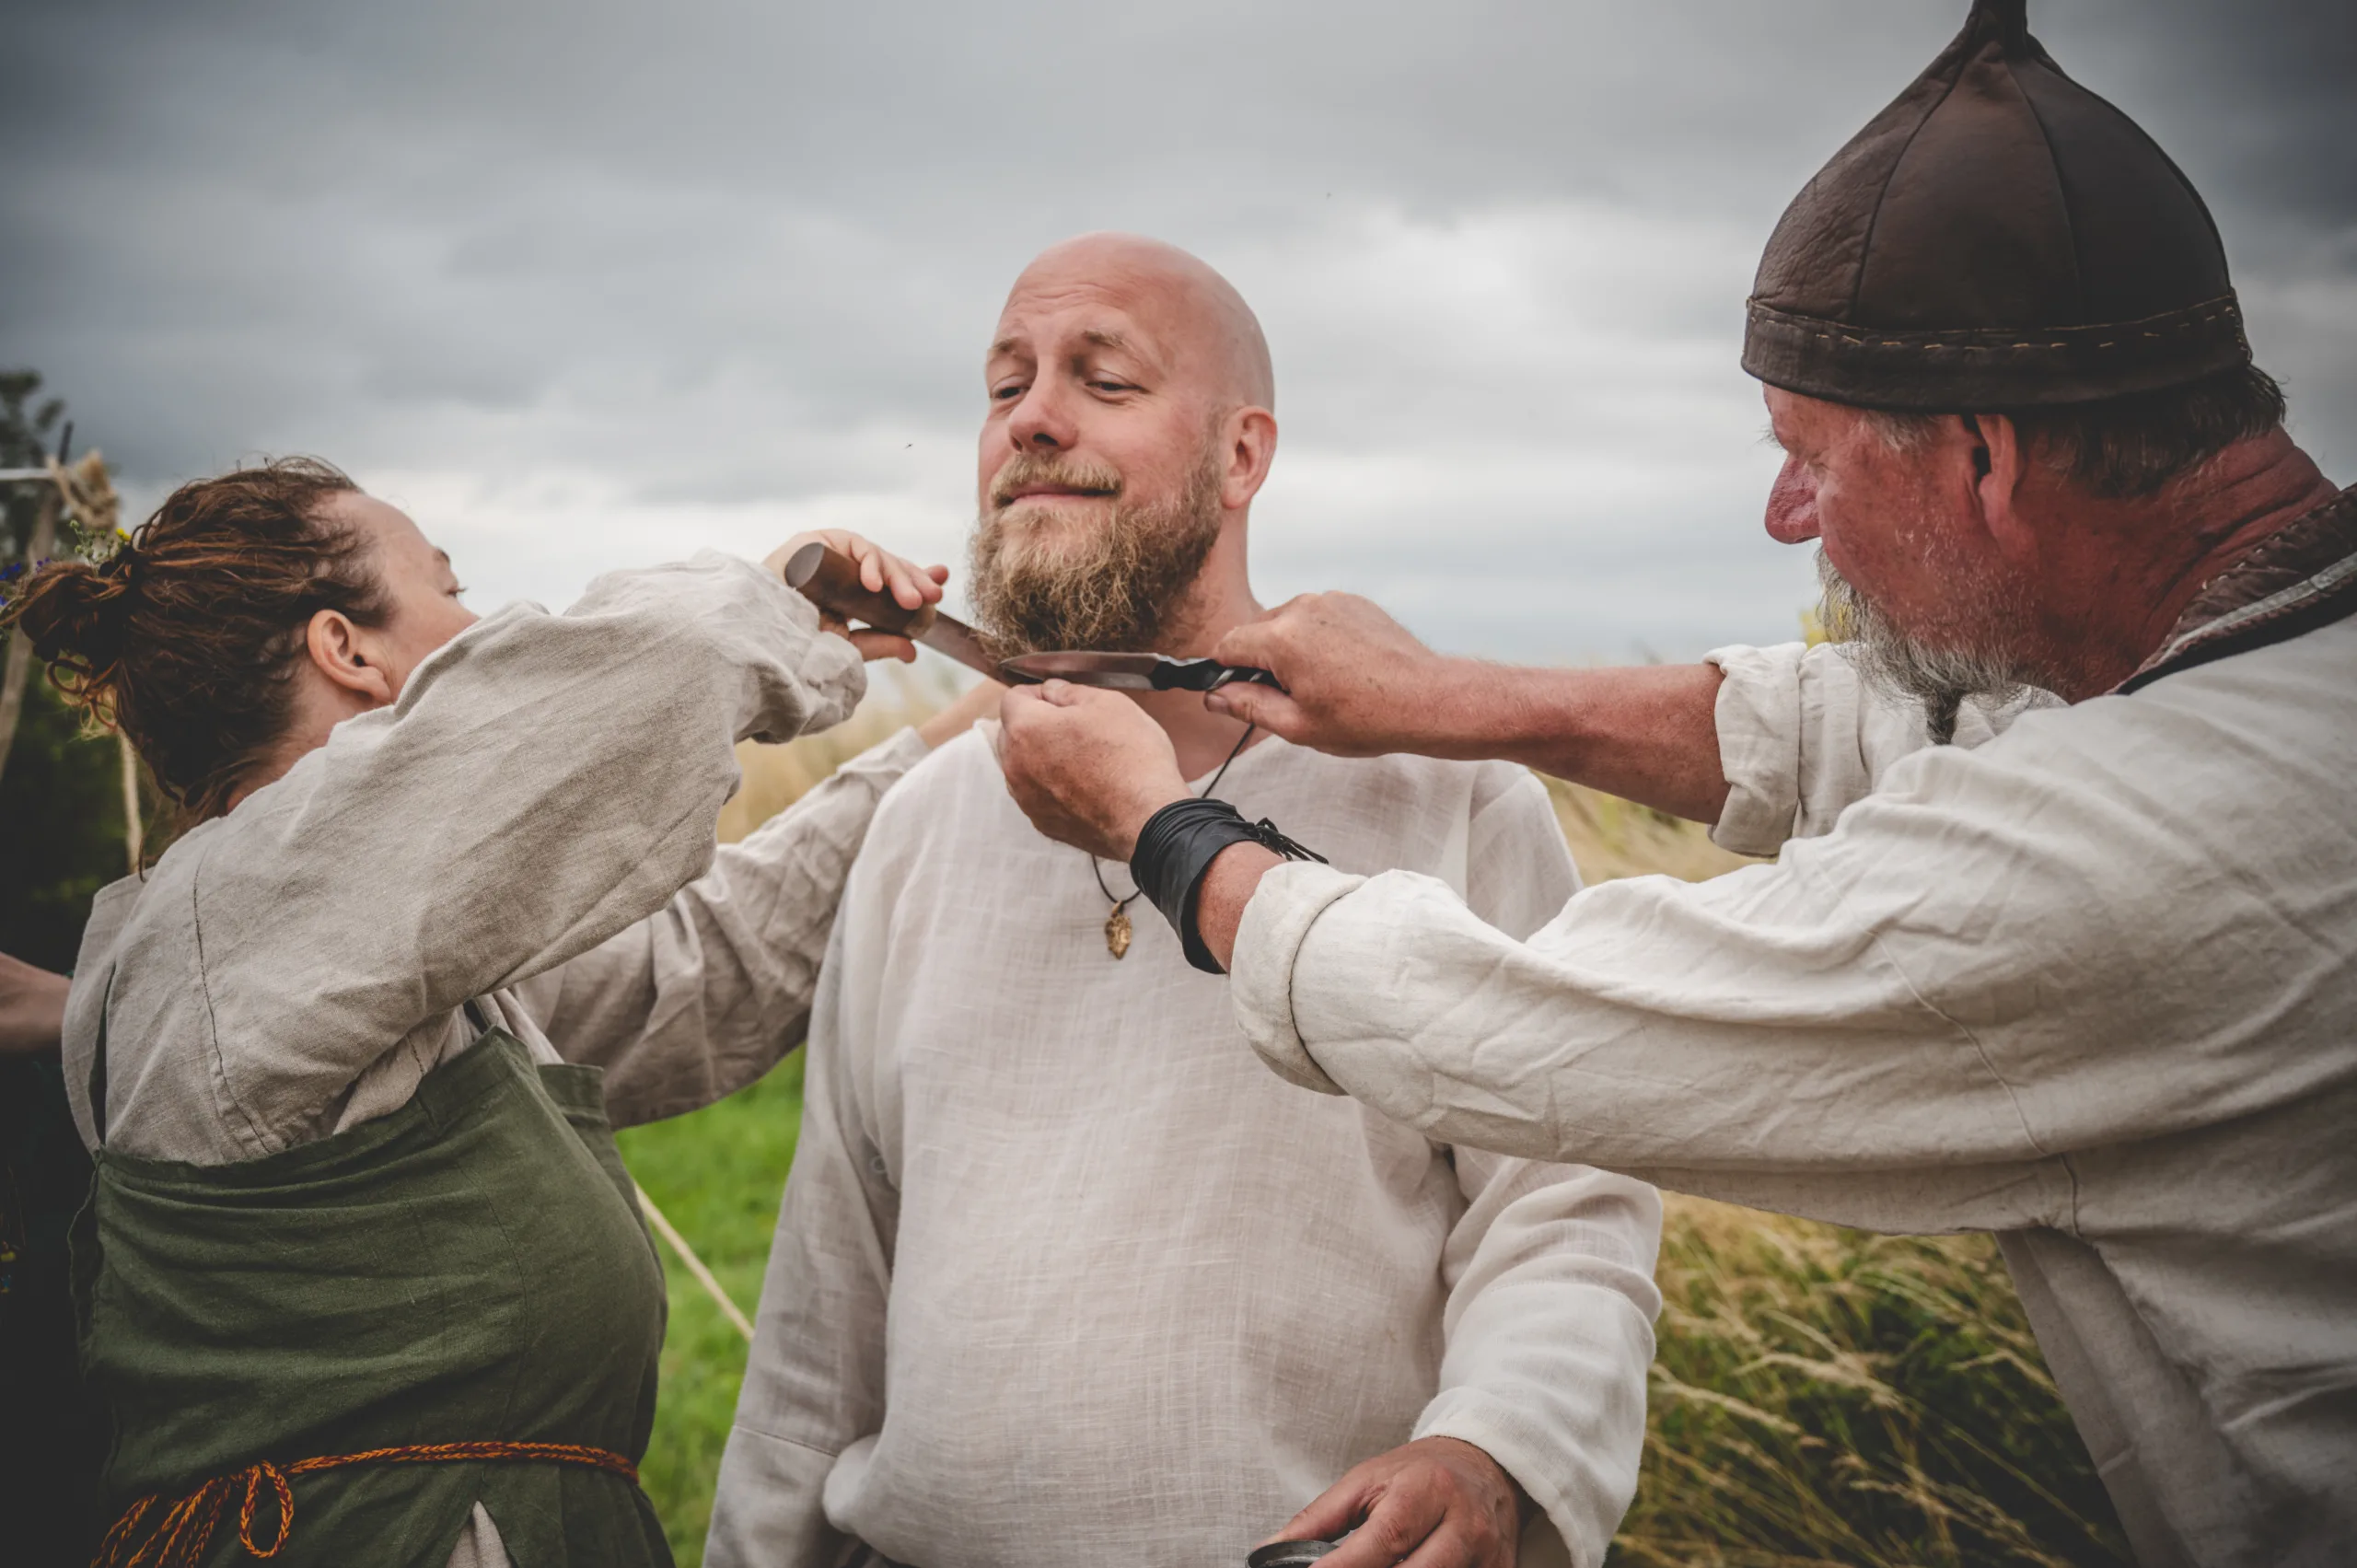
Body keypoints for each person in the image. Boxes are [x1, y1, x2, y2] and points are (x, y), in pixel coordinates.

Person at [994, 7, 2356, 1568]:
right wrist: (1453, 699)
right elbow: (1880, 721)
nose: (1787, 518)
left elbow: (1535, 1027)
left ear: (1982, 456)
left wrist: (1172, 837)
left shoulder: (2146, 843)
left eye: (1810, 455)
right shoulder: (2268, 675)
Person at [705, 236, 1661, 1568]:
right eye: (1003, 387)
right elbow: (825, 1302)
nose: (1033, 417)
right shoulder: (921, 823)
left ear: (1243, 457)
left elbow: (1567, 1209)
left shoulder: (1447, 802)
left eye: (1103, 379)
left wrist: (1494, 1444)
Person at [0, 458, 996, 1568]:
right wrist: (780, 592)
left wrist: (967, 736)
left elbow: (700, 961)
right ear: (347, 648)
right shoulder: (248, 910)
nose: (481, 621)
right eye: (451, 584)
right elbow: (646, 672)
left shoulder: (360, 964)